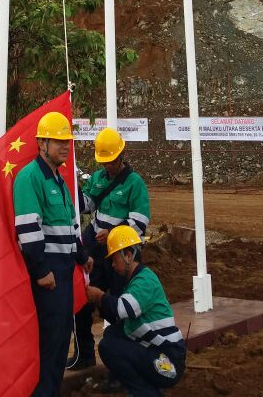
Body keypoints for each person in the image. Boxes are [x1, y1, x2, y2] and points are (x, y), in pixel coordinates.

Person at [13, 111, 92, 397]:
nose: (64, 147)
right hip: (49, 275)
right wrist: (41, 270)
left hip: (64, 271)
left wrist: (82, 254)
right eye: (58, 141)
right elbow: (27, 229)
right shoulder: (29, 178)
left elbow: (72, 224)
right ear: (41, 143)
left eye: (67, 142)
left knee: (61, 341)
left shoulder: (60, 179)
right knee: (50, 343)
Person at [70, 126, 150, 376]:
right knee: (83, 297)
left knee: (117, 304)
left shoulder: (134, 184)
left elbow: (140, 223)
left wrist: (114, 234)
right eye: (105, 162)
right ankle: (84, 354)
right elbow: (85, 206)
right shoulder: (98, 178)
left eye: (112, 161)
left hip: (120, 253)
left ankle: (121, 360)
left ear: (121, 155)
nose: (109, 167)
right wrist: (70, 181)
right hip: (95, 247)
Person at [86, 225, 186, 397]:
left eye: (114, 259)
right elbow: (119, 317)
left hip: (169, 359)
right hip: (160, 351)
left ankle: (145, 393)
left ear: (128, 255)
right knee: (112, 334)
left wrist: (100, 297)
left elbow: (124, 309)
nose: (112, 265)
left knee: (109, 346)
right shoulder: (136, 280)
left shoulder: (144, 281)